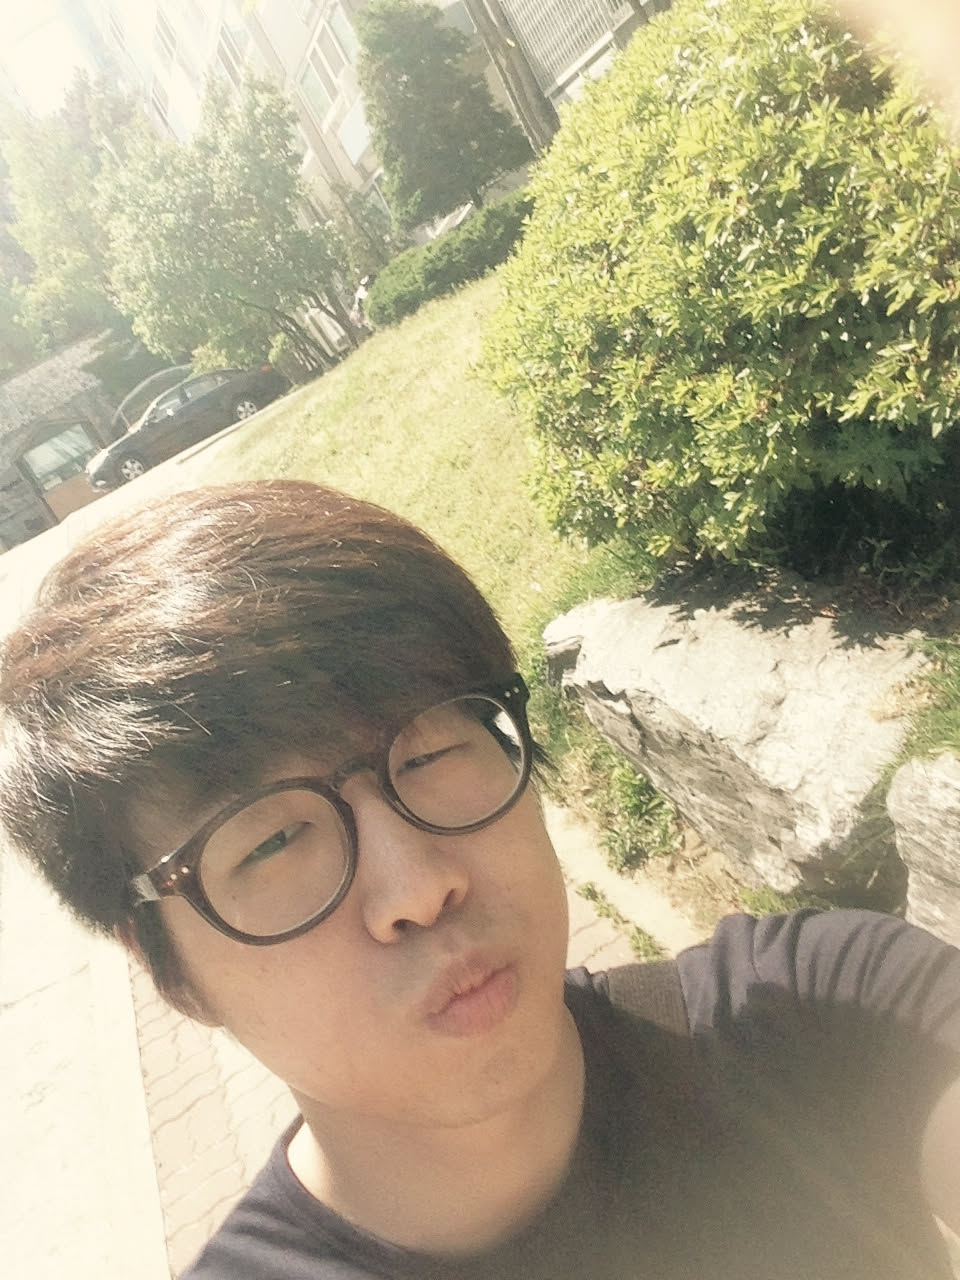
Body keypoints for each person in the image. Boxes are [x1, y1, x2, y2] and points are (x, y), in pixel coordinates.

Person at [0, 478, 958, 1280]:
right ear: (167, 968)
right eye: (272, 841)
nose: (418, 888)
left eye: (427, 753)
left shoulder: (828, 1012)